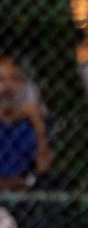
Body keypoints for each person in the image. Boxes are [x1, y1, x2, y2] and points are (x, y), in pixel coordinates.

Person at [0, 55, 52, 189]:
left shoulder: (27, 89)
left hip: (22, 132)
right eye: (1, 79)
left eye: (12, 77)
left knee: (25, 129)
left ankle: (22, 179)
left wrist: (43, 150)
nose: (7, 84)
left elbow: (35, 118)